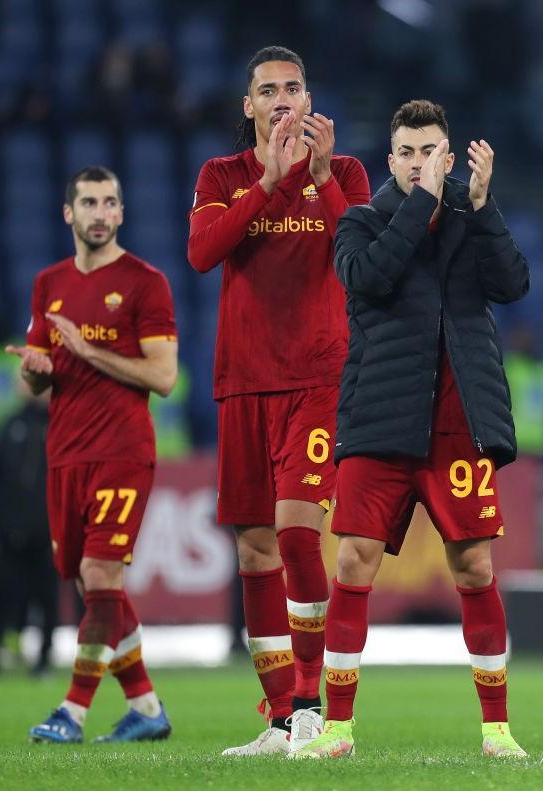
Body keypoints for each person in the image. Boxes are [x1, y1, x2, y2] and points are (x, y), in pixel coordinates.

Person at [292, 99, 530, 760]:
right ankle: (337, 729)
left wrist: (483, 210)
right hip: (380, 416)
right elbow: (368, 278)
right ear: (390, 158)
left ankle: (497, 730)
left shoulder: (470, 217)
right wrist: (421, 205)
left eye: (429, 152)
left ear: (449, 158)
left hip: (458, 422)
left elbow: (513, 284)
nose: (418, 162)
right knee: (353, 560)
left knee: (476, 566)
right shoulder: (361, 221)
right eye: (406, 151)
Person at [187, 45, 370, 755]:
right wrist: (265, 185)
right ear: (249, 106)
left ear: (309, 97)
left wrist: (319, 178)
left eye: (294, 87)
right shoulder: (222, 176)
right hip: (243, 380)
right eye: (268, 90)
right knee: (255, 547)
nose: (283, 99)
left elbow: (365, 253)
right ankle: (274, 719)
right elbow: (204, 251)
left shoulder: (345, 171)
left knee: (297, 532)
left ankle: (308, 707)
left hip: (319, 378)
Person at [8, 165, 178, 744]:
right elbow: (36, 381)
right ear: (69, 213)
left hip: (122, 451)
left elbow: (164, 376)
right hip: (66, 453)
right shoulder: (47, 284)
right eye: (89, 203)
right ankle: (147, 708)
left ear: (122, 213)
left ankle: (72, 712)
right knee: (91, 588)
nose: (100, 213)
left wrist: (84, 350)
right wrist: (36, 372)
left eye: (110, 203)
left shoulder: (145, 282)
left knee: (99, 573)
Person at [0, 385, 58, 677]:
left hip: (50, 533)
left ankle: (44, 660)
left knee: (47, 599)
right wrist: (1, 523)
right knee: (1, 597)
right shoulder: (11, 425)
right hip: (11, 533)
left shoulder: (62, 426)